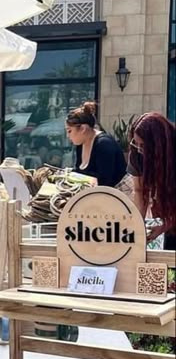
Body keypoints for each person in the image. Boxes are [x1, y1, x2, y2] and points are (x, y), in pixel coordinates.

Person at [127, 112, 176, 249]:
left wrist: (165, 225)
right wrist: (137, 226)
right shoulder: (136, 153)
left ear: (158, 144)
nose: (139, 149)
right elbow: (139, 190)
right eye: (136, 144)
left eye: (143, 146)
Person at [65, 101, 127, 188]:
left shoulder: (104, 144)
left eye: (69, 131)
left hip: (114, 197)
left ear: (83, 129)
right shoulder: (80, 145)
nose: (68, 136)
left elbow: (105, 182)